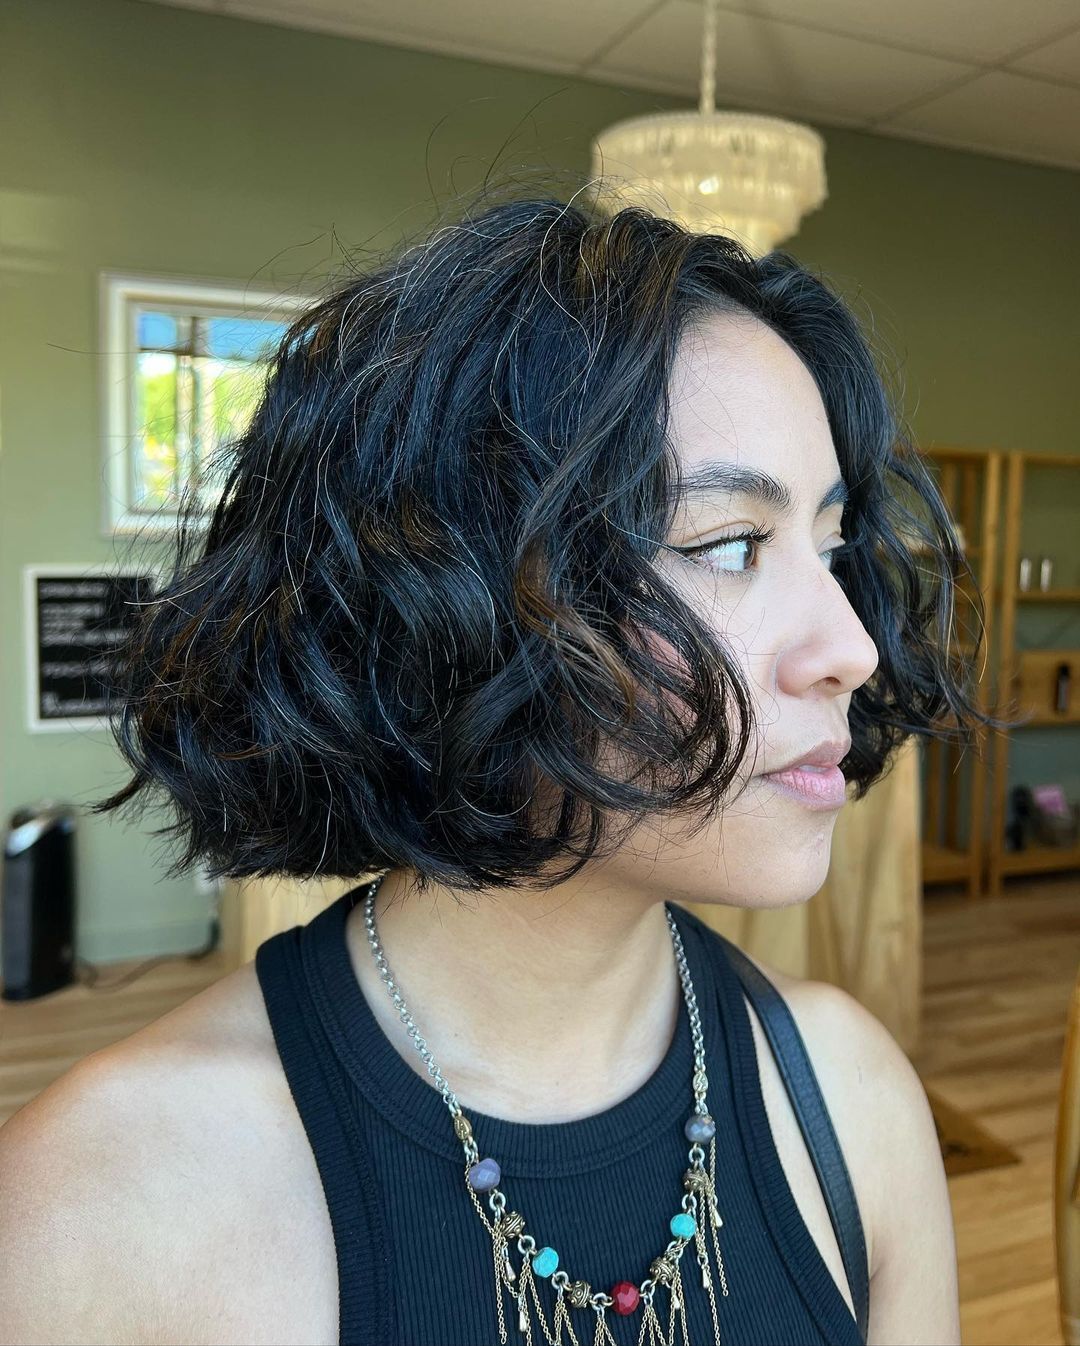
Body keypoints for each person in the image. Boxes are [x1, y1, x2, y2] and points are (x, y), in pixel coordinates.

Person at [0, 187, 1000, 1346]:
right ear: (456, 604)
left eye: (829, 547)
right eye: (732, 543)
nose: (853, 647)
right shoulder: (101, 1202)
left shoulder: (850, 1099)